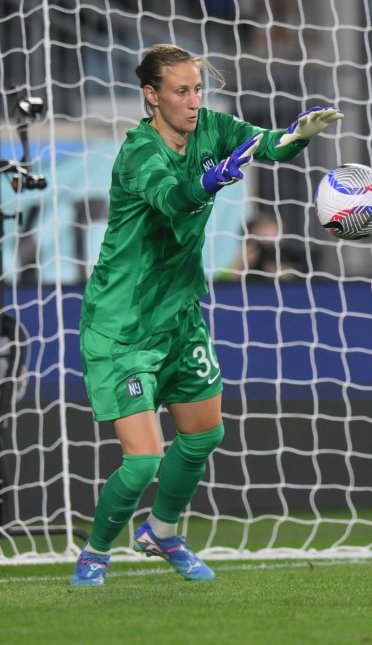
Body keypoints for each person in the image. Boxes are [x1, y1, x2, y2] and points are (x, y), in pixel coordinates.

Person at [70, 44, 342, 586]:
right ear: (152, 96)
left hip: (179, 314)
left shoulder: (211, 126)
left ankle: (162, 532)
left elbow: (267, 145)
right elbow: (174, 200)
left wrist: (297, 136)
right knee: (143, 460)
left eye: (198, 89)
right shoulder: (138, 155)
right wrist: (211, 182)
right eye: (180, 92)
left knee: (203, 434)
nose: (193, 102)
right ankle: (95, 555)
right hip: (122, 324)